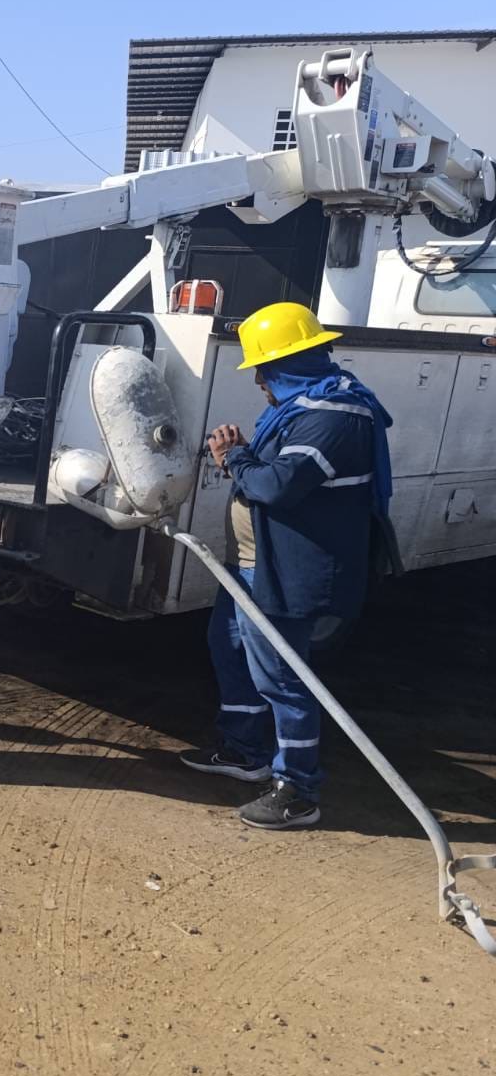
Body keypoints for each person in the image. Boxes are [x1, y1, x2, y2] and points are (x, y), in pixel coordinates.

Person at [180, 302, 393, 830]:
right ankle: (244, 750)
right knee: (228, 648)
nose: (258, 382)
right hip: (251, 565)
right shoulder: (304, 409)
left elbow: (277, 486)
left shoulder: (334, 417)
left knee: (282, 677)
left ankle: (298, 789)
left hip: (282, 572)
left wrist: (235, 458)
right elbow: (275, 473)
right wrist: (244, 458)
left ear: (289, 365)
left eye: (263, 369)